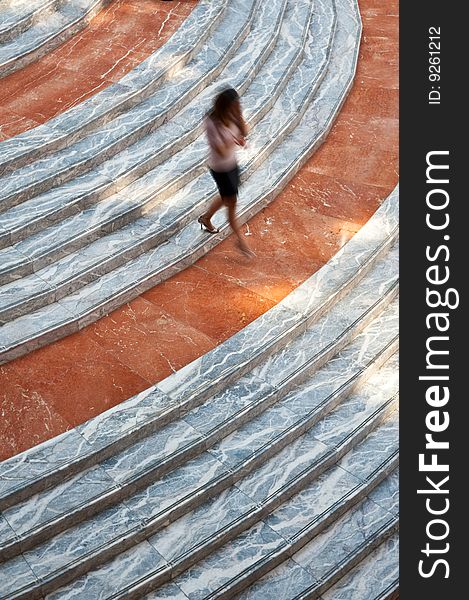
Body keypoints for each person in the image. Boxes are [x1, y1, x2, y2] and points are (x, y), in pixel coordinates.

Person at [198, 87, 254, 258]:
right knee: (231, 203)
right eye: (234, 107)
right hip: (220, 168)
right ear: (225, 106)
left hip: (232, 165)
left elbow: (245, 131)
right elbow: (220, 151)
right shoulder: (212, 122)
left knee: (226, 198)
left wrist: (239, 115)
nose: (237, 109)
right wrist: (234, 140)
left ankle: (206, 218)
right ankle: (240, 240)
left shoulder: (233, 115)